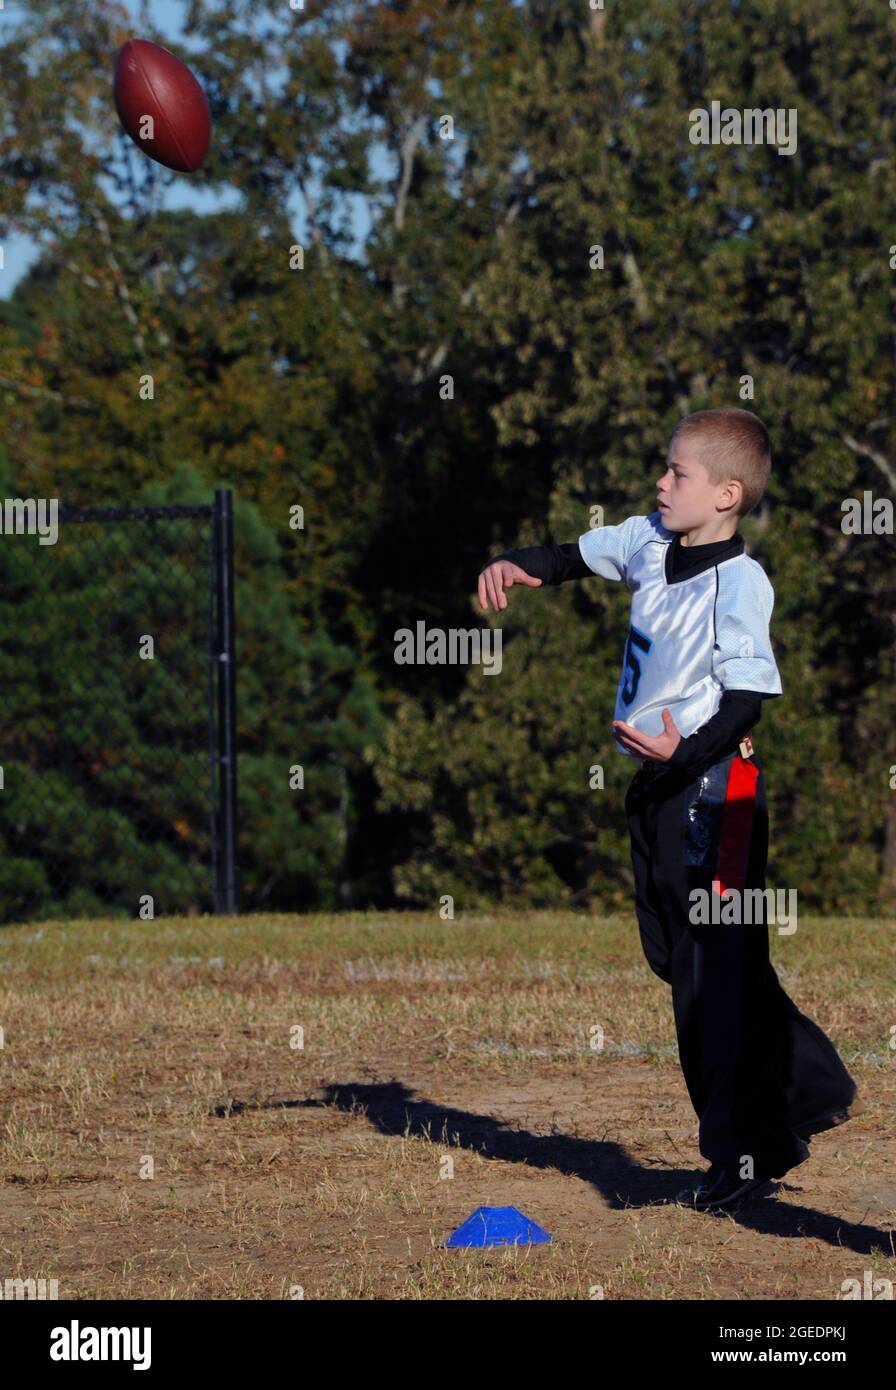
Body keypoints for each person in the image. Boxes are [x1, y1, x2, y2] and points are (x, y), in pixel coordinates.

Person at [477, 407, 859, 1210]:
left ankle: (742, 1158)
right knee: (678, 958)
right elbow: (570, 557)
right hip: (658, 787)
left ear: (726, 494)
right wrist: (514, 564)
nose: (661, 482)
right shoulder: (648, 541)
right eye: (664, 467)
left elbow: (750, 698)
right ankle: (808, 1084)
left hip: (718, 793)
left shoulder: (739, 581)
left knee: (706, 978)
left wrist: (686, 755)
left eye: (677, 473)